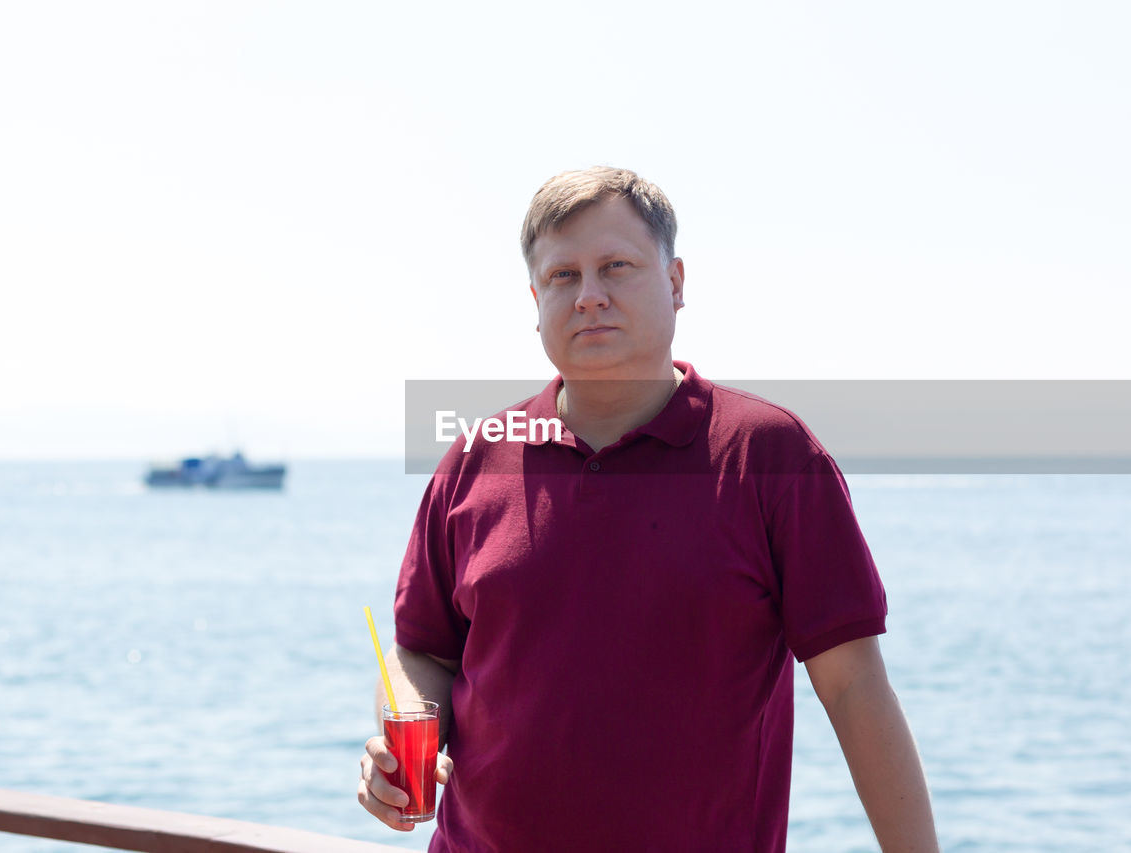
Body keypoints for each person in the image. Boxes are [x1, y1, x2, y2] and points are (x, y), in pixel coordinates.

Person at [358, 167, 939, 851]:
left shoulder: (769, 454)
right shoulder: (475, 458)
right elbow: (421, 649)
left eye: (616, 267)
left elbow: (853, 688)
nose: (589, 296)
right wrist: (405, 734)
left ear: (676, 282)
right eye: (563, 276)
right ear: (535, 297)